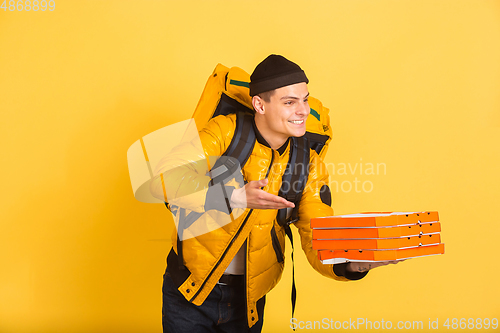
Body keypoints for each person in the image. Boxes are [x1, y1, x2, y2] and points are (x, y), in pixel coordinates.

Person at [150, 55, 397, 333]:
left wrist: (352, 263)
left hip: (248, 302)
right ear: (260, 104)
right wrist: (234, 197)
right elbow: (164, 179)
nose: (302, 110)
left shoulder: (309, 163)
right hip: (189, 292)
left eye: (305, 99)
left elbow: (319, 234)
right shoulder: (224, 131)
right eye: (289, 102)